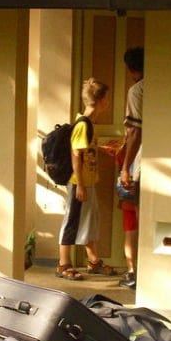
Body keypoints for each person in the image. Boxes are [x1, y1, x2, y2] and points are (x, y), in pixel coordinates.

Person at [56, 77, 116, 281]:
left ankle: (93, 261)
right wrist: (80, 184)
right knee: (72, 221)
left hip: (88, 181)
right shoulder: (83, 124)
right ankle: (63, 264)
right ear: (101, 101)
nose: (108, 102)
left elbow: (84, 148)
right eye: (107, 99)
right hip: (78, 182)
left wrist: (101, 148)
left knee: (91, 221)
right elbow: (76, 154)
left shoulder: (89, 124)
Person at [118, 46, 144, 290]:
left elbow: (135, 130)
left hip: (141, 163)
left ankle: (135, 271)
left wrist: (125, 166)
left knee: (135, 216)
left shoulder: (137, 90)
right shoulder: (163, 85)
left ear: (131, 69)